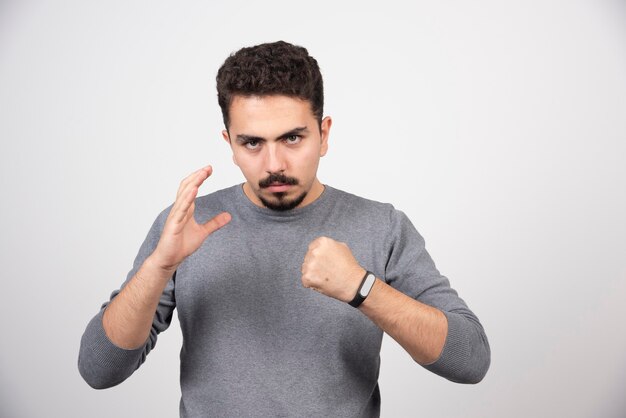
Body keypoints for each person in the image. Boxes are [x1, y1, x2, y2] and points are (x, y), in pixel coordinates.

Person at [78, 40, 490, 417]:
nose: (274, 163)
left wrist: (362, 289)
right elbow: (99, 370)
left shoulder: (381, 226)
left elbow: (470, 359)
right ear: (229, 143)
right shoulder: (185, 225)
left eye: (292, 138)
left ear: (323, 134)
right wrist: (159, 267)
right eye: (252, 143)